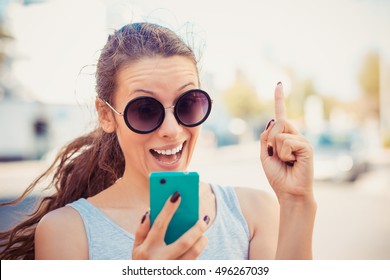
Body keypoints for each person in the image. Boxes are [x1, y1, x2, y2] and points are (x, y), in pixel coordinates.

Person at [0, 22, 316, 260]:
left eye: (188, 104)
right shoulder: (67, 232)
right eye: (145, 110)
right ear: (106, 115)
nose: (172, 129)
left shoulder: (253, 213)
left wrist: (297, 202)